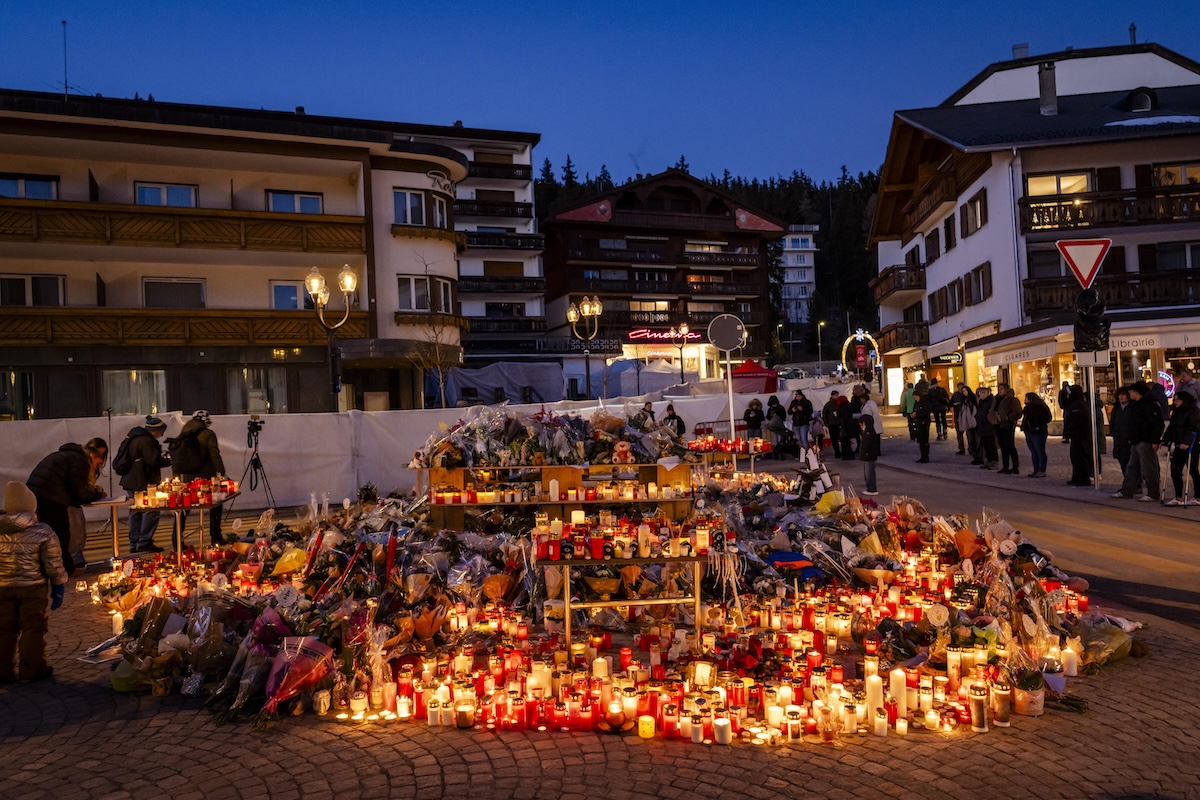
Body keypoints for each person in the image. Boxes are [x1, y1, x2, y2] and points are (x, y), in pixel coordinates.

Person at [0, 482, 68, 683]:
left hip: (2, 588)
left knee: (3, 628)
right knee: (33, 627)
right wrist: (58, 584)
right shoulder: (43, 532)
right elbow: (53, 562)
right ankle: (32, 668)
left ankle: (2, 670)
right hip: (33, 588)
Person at [26, 438, 107, 575]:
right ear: (93, 456)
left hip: (36, 494)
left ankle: (50, 568)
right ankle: (66, 570)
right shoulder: (80, 461)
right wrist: (98, 494)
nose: (95, 467)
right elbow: (81, 492)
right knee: (61, 535)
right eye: (97, 463)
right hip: (50, 497)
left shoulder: (68, 456)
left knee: (46, 534)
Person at [118, 416, 170, 553]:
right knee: (151, 510)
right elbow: (152, 461)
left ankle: (134, 542)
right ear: (155, 431)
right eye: (161, 431)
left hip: (131, 480)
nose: (162, 435)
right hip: (143, 481)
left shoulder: (134, 438)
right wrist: (167, 460)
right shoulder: (147, 441)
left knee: (135, 511)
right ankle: (144, 541)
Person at [173, 411, 226, 546]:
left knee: (185, 507)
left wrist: (177, 476)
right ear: (206, 422)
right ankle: (215, 536)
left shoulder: (184, 433)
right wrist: (221, 472)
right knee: (215, 504)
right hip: (207, 476)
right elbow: (214, 454)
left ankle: (177, 539)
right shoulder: (208, 434)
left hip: (188, 475)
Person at [1112, 381, 1164, 502]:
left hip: (1146, 440)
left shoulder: (1149, 405)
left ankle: (1153, 493)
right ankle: (1127, 491)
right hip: (1136, 440)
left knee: (1148, 468)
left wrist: (1155, 441)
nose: (1129, 394)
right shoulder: (1137, 404)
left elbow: (1157, 424)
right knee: (1132, 467)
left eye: (1131, 392)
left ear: (1137, 393)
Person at [1163, 391, 1200, 506]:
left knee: (1193, 470)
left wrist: (1187, 442)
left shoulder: (1193, 411)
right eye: (1175, 400)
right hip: (1179, 444)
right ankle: (1178, 496)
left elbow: (1193, 428)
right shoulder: (1176, 412)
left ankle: (1198, 496)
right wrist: (1165, 439)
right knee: (1175, 469)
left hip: (1192, 445)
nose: (1175, 402)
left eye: (1178, 399)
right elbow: (1172, 427)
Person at [1063, 386, 1094, 486]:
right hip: (1077, 434)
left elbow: (1077, 420)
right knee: (1075, 457)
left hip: (1080, 434)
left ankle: (1083, 478)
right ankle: (1076, 477)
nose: (1068, 395)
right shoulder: (1075, 404)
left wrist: (1069, 428)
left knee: (1079, 457)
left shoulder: (1078, 404)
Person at [1021, 392, 1052, 478]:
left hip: (1038, 431)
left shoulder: (1039, 406)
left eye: (1026, 398)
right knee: (1034, 451)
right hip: (1029, 431)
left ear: (1030, 399)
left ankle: (1042, 470)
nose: (1024, 400)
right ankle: (1036, 470)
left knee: (1039, 451)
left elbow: (1048, 417)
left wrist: (1036, 423)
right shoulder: (1028, 407)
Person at [995, 383, 1024, 475]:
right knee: (1003, 446)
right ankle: (1005, 466)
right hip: (998, 424)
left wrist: (1008, 417)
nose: (1000, 391)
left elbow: (1018, 412)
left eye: (1002, 389)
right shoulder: (997, 399)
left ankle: (1015, 467)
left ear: (1006, 390)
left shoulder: (1012, 400)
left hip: (1008, 424)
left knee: (1010, 445)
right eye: (999, 389)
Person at [1109, 387, 1133, 477]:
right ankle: (1128, 482)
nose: (1121, 397)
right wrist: (1114, 433)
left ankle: (1134, 484)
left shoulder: (1132, 407)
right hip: (1119, 439)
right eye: (1120, 395)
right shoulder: (1117, 408)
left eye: (1123, 395)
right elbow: (1113, 422)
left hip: (1129, 439)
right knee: (1122, 461)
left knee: (1131, 463)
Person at [974, 387, 1000, 469]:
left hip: (989, 426)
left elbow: (992, 413)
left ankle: (994, 461)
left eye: (981, 393)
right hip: (982, 426)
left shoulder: (991, 401)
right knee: (986, 445)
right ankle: (989, 461)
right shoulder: (981, 402)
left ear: (986, 393)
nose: (979, 395)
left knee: (991, 445)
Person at [859, 414, 880, 496]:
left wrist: (863, 453)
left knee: (869, 473)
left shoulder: (869, 431)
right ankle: (870, 488)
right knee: (868, 472)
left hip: (869, 455)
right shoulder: (868, 430)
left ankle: (872, 489)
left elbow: (866, 444)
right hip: (868, 455)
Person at [955, 384, 978, 458]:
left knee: (973, 438)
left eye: (965, 390)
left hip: (972, 421)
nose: (964, 392)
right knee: (969, 436)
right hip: (966, 421)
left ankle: (974, 451)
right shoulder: (963, 400)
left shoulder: (972, 399)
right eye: (963, 391)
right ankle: (971, 450)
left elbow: (974, 410)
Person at [909, 387, 932, 463]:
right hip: (918, 423)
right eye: (914, 398)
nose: (915, 399)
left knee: (924, 440)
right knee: (920, 441)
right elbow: (915, 410)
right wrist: (913, 415)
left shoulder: (925, 402)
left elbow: (926, 412)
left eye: (916, 397)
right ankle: (922, 456)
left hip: (924, 423)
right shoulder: (917, 403)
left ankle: (926, 456)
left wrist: (917, 414)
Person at [822, 391, 843, 458]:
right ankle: (837, 452)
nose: (837, 396)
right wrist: (826, 424)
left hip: (839, 423)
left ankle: (841, 451)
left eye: (838, 395)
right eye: (836, 395)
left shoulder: (839, 403)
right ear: (832, 396)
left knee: (841, 438)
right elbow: (825, 414)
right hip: (832, 424)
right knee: (834, 439)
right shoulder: (828, 405)